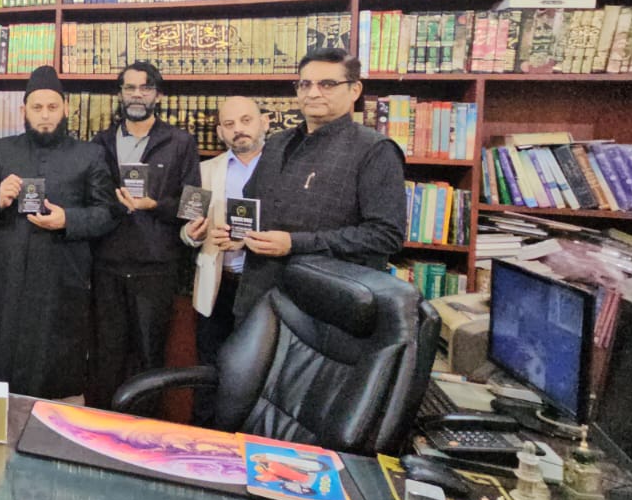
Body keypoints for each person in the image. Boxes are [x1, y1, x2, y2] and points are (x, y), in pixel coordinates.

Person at [211, 49, 407, 319]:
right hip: (258, 298)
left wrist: (294, 243)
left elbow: (385, 235)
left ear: (354, 90)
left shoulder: (374, 150)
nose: (313, 93)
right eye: (305, 84)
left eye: (327, 84)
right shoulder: (277, 143)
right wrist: (237, 236)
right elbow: (255, 209)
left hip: (324, 306)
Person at [0, 65, 122, 400]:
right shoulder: (2, 150)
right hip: (9, 277)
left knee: (56, 368)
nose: (45, 115)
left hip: (61, 276)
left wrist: (68, 220)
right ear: (23, 111)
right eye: (37, 108)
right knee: (2, 370)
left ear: (66, 109)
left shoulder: (90, 154)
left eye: (52, 107)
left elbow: (108, 213)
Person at [88, 61, 201, 409]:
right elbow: (90, 197)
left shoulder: (180, 142)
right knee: (106, 355)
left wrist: (155, 205)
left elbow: (194, 205)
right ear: (120, 94)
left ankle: (144, 430)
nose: (137, 94)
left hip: (156, 267)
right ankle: (100, 426)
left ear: (158, 95)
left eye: (145, 87)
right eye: (130, 87)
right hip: (106, 264)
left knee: (150, 357)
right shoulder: (100, 142)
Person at [181, 95, 268, 424]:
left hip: (264, 287)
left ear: (264, 123)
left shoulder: (283, 170)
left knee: (258, 371)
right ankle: (204, 437)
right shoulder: (204, 171)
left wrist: (250, 241)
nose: (238, 130)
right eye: (229, 124)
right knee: (209, 370)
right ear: (220, 132)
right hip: (218, 286)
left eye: (246, 120)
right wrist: (195, 234)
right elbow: (185, 232)